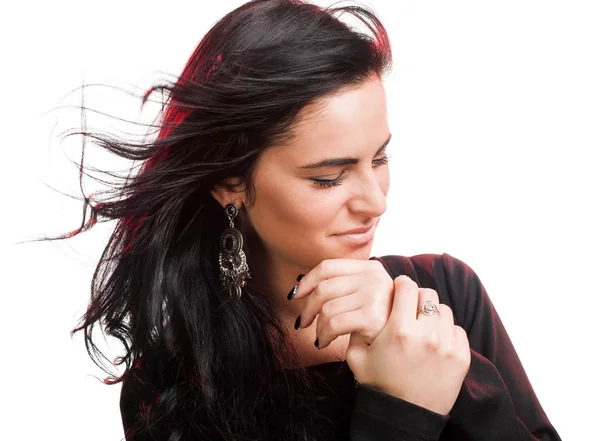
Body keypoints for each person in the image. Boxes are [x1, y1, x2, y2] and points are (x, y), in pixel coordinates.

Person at [42, 0, 562, 440]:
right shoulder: (171, 381)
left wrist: (464, 383)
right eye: (329, 178)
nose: (375, 202)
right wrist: (404, 410)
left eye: (378, 159)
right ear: (231, 182)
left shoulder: (447, 292)